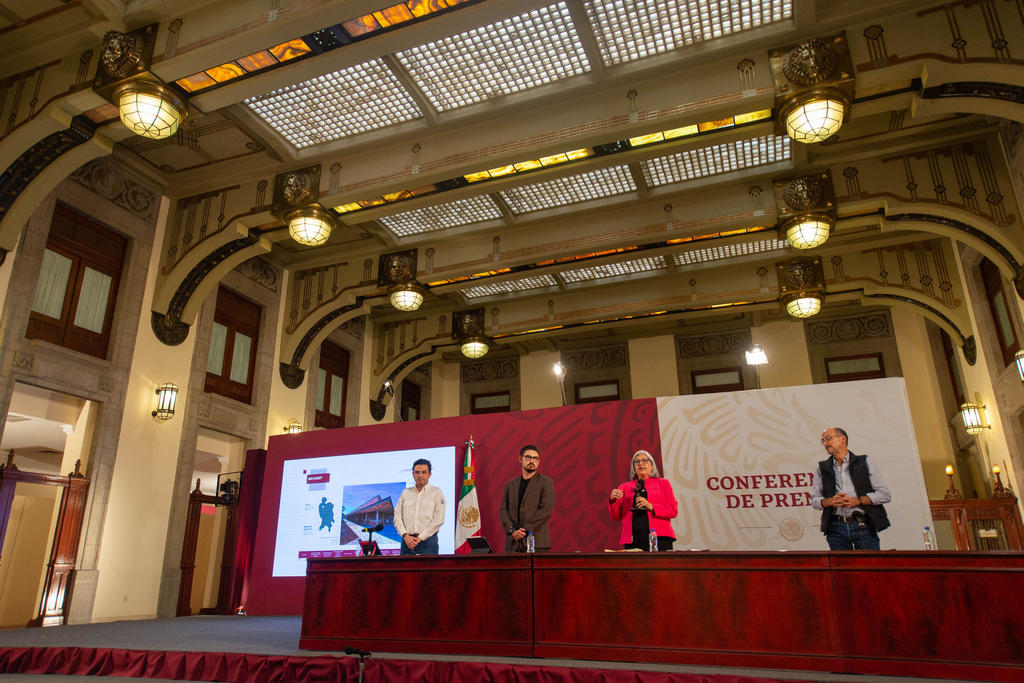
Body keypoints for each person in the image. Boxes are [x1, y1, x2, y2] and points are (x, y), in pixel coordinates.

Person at [810, 427, 892, 550]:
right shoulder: (822, 468)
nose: (825, 443)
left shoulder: (865, 462)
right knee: (841, 563)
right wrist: (831, 501)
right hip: (835, 527)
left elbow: (884, 495)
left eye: (828, 438)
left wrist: (856, 501)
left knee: (869, 562)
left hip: (863, 524)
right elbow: (814, 500)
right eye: (823, 441)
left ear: (843, 439)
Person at [608, 449, 677, 551]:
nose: (641, 464)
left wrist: (651, 506)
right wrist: (612, 500)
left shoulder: (663, 484)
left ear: (651, 465)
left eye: (644, 460)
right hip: (633, 540)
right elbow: (616, 516)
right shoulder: (624, 487)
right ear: (633, 467)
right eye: (637, 462)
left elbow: (673, 510)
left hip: (660, 538)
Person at [498, 444, 556, 552]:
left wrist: (524, 530)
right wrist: (512, 531)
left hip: (537, 542)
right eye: (528, 457)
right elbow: (503, 510)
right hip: (513, 544)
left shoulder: (546, 482)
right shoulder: (510, 485)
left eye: (535, 458)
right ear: (520, 459)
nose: (532, 461)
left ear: (538, 461)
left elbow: (546, 510)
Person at [394, 458, 446, 555]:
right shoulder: (405, 493)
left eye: (424, 472)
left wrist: (420, 538)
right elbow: (397, 517)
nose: (420, 475)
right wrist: (405, 535)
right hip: (407, 542)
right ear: (413, 474)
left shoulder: (436, 492)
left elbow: (438, 520)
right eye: (417, 472)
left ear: (429, 474)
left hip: (428, 542)